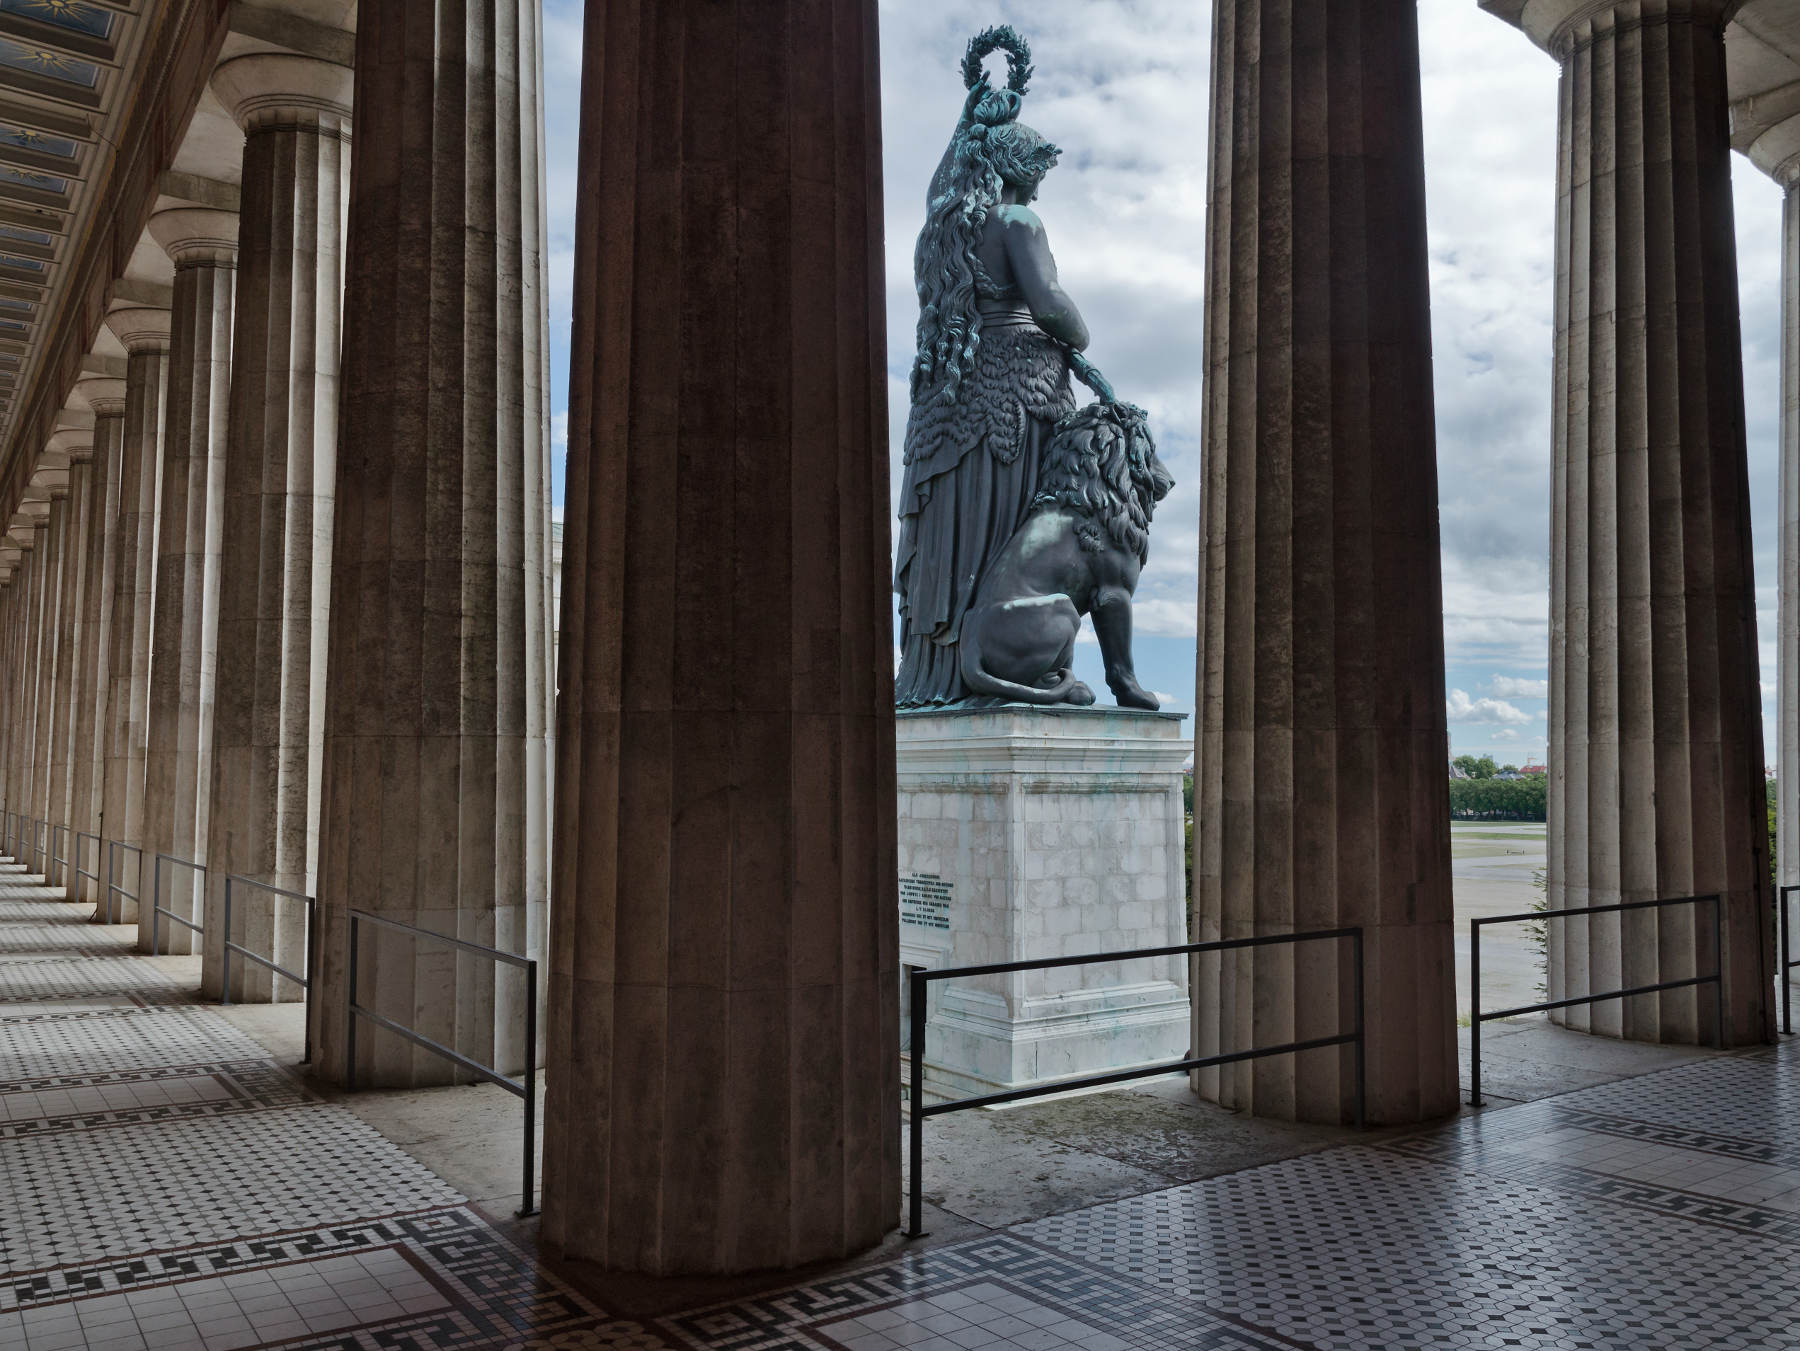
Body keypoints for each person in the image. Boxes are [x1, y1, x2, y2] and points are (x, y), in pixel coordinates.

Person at [893, 40, 1097, 708]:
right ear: (1019, 169)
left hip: (949, 402)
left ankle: (940, 673)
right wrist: (1079, 333)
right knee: (1011, 526)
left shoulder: (943, 224)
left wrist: (971, 115)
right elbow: (1051, 305)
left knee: (955, 521)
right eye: (1036, 172)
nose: (1039, 187)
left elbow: (942, 180)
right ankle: (1008, 666)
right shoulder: (1017, 221)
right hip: (1018, 391)